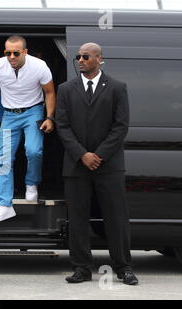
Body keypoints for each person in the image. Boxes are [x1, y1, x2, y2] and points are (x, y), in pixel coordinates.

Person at [55, 43, 138, 285]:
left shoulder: (116, 88)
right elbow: (63, 125)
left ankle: (124, 267)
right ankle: (81, 268)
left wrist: (98, 155)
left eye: (85, 56)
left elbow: (121, 126)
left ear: (99, 59)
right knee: (78, 218)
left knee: (116, 217)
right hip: (76, 165)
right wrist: (82, 154)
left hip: (109, 165)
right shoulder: (66, 89)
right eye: (78, 56)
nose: (80, 60)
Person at [0, 35, 56, 224]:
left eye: (16, 53)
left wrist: (49, 117)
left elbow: (49, 92)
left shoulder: (39, 66)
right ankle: (4, 205)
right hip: (9, 114)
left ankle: (31, 183)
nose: (11, 56)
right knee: (2, 158)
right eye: (7, 52)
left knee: (34, 151)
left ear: (25, 52)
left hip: (34, 111)